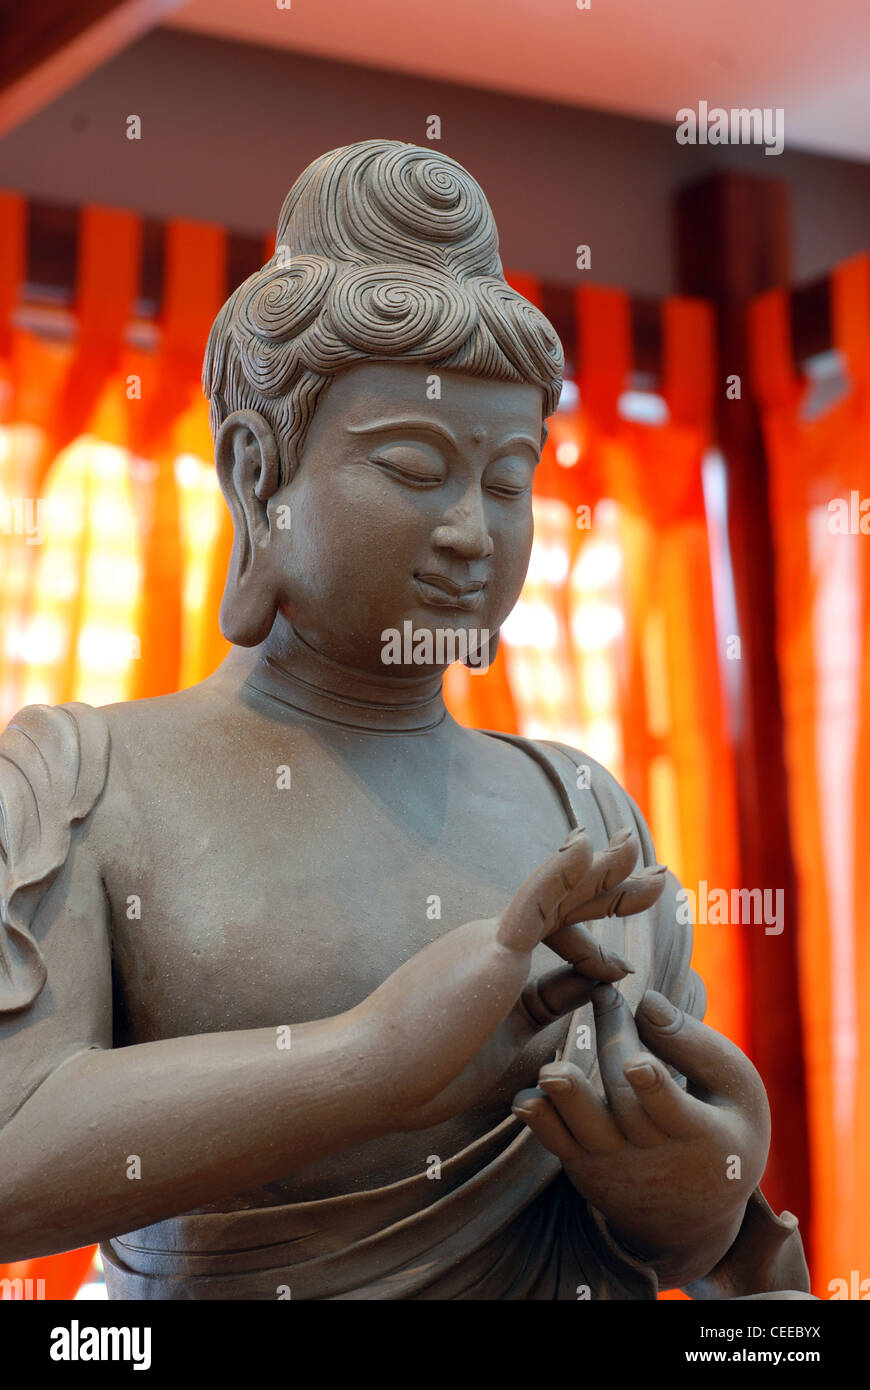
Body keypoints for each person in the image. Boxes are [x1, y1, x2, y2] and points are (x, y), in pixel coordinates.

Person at [0, 140, 812, 1299]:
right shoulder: (84, 778)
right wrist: (368, 1064)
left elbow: (667, 1221)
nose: (472, 532)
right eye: (415, 465)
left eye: (508, 479)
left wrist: (692, 1204)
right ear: (257, 471)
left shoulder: (580, 805)